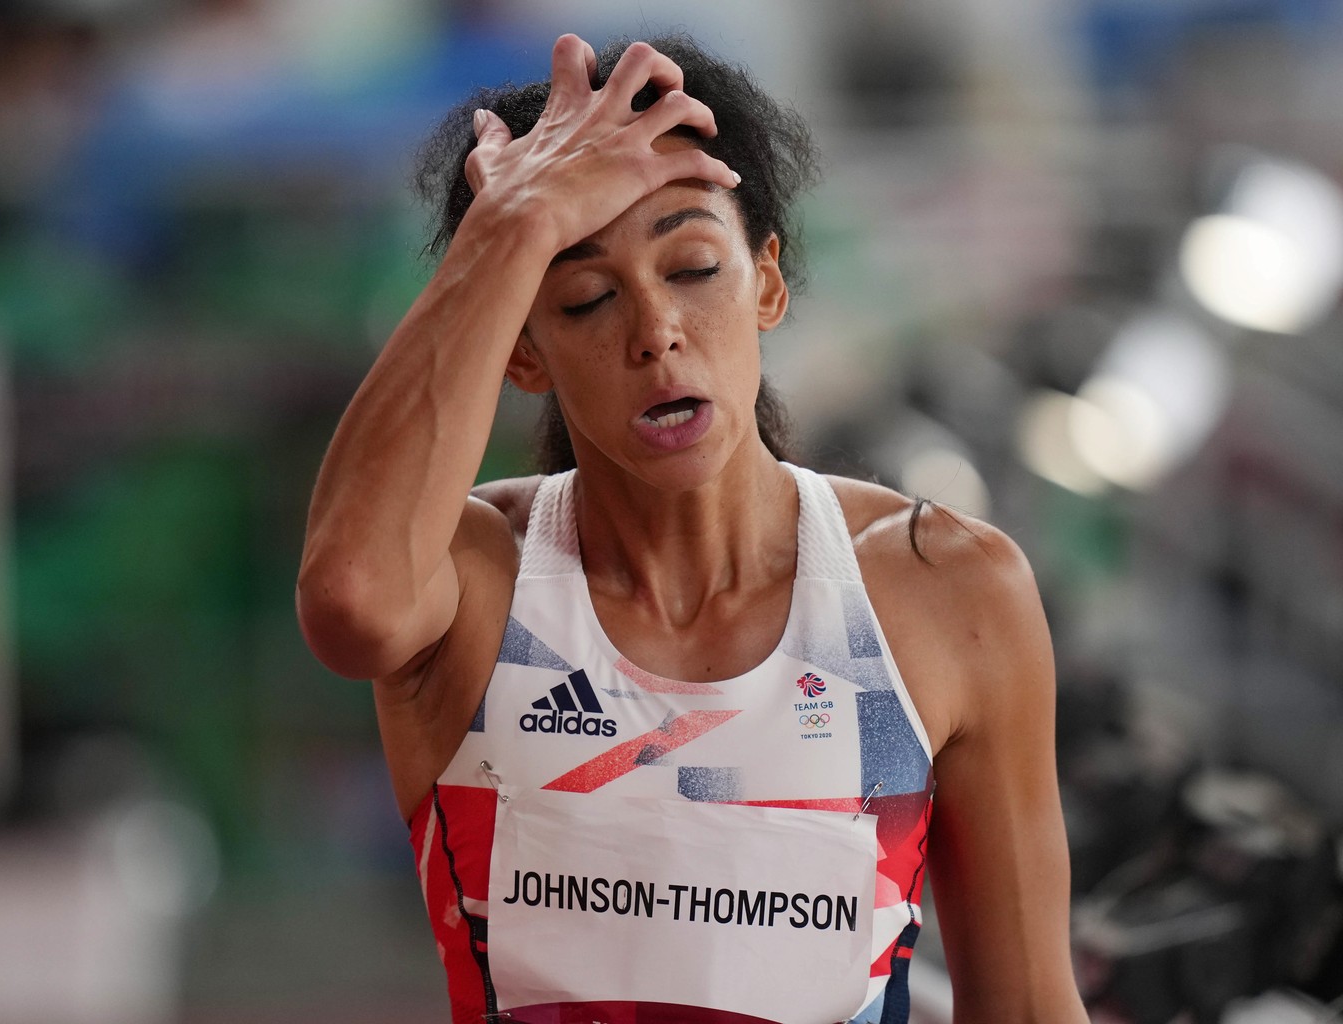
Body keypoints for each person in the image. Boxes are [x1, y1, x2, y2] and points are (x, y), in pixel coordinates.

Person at [298, 31, 1088, 1024]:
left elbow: (1024, 1011)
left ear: (767, 281)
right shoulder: (477, 586)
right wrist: (512, 225)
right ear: (524, 352)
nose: (654, 331)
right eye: (584, 297)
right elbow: (348, 601)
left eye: (694, 267)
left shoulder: (948, 593)